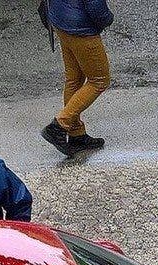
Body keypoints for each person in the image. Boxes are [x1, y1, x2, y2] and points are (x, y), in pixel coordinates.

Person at [40, 0, 113, 157]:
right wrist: (107, 18)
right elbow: (96, 7)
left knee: (75, 79)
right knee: (99, 80)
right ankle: (59, 125)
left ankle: (76, 133)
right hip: (81, 28)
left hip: (60, 20)